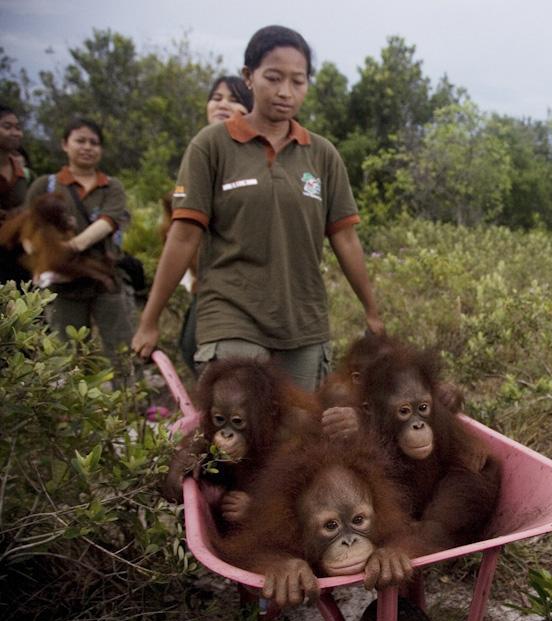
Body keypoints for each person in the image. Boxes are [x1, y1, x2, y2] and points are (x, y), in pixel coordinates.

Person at [132, 25, 383, 391]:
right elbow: (183, 236)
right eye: (273, 78)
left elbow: (345, 239)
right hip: (231, 314)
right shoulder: (211, 146)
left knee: (299, 425)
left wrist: (372, 310)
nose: (285, 92)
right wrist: (149, 319)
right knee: (241, 416)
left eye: (298, 81)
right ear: (249, 77)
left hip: (303, 322)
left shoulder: (322, 154)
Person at [161, 76, 254, 374]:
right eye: (216, 97)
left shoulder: (254, 157)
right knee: (191, 348)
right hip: (208, 281)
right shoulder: (200, 151)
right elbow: (182, 230)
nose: (222, 104)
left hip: (245, 282)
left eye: (234, 99)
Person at [23, 117, 134, 359]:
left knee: (122, 351)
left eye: (94, 142)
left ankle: (128, 385)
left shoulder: (111, 187)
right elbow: (27, 227)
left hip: (105, 278)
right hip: (62, 286)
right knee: (66, 354)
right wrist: (42, 258)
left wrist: (69, 247)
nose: (87, 147)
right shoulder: (46, 185)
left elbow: (107, 222)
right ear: (65, 144)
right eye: (80, 141)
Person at [0, 105, 31, 285]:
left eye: (18, 128)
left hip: (17, 258)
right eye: (7, 127)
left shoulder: (22, 173)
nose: (15, 132)